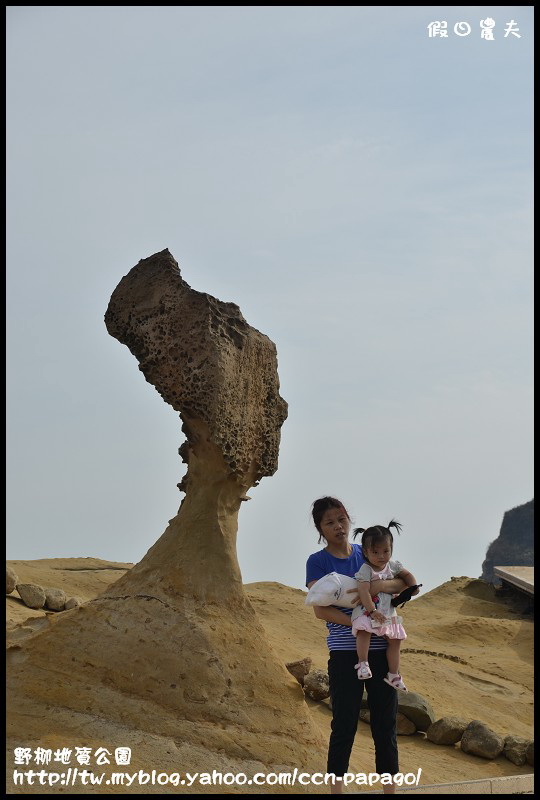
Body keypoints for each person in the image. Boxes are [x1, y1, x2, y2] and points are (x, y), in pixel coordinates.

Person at [306, 497, 408, 795]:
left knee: (385, 724)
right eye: (329, 523)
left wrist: (375, 588)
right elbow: (319, 608)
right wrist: (357, 622)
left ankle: (390, 791)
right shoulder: (318, 561)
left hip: (382, 652)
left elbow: (401, 583)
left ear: (348, 519)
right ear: (320, 529)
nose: (338, 526)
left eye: (341, 519)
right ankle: (336, 790)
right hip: (344, 652)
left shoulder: (369, 550)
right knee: (344, 723)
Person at [351, 521, 419, 691]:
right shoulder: (365, 570)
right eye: (375, 552)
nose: (381, 556)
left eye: (386, 551)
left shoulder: (393, 566)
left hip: (388, 614)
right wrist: (372, 611)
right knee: (364, 631)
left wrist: (413, 587)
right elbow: (364, 592)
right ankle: (363, 663)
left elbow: (407, 574)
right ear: (365, 552)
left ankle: (393, 675)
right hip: (368, 612)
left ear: (391, 549)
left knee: (396, 641)